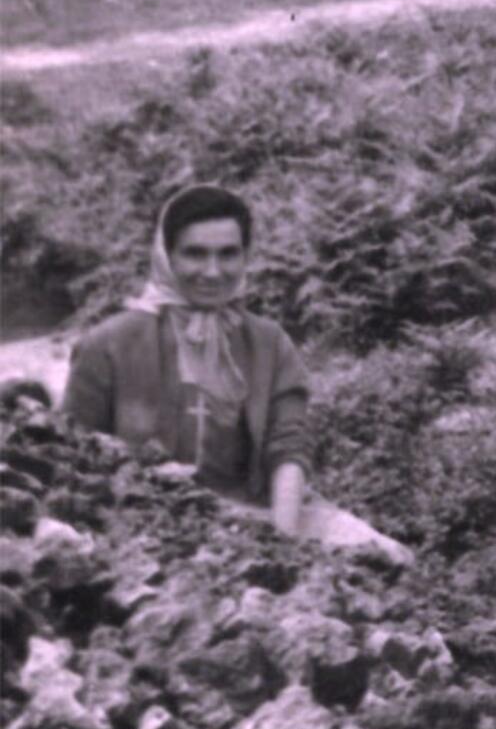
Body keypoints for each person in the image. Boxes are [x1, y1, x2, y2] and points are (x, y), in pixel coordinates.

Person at [62, 184, 408, 562]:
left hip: (257, 515)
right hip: (142, 519)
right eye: (195, 254)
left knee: (388, 557)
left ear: (246, 256)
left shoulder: (268, 341)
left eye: (228, 254)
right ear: (166, 255)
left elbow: (288, 449)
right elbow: (75, 462)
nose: (213, 271)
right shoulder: (107, 345)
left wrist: (281, 545)